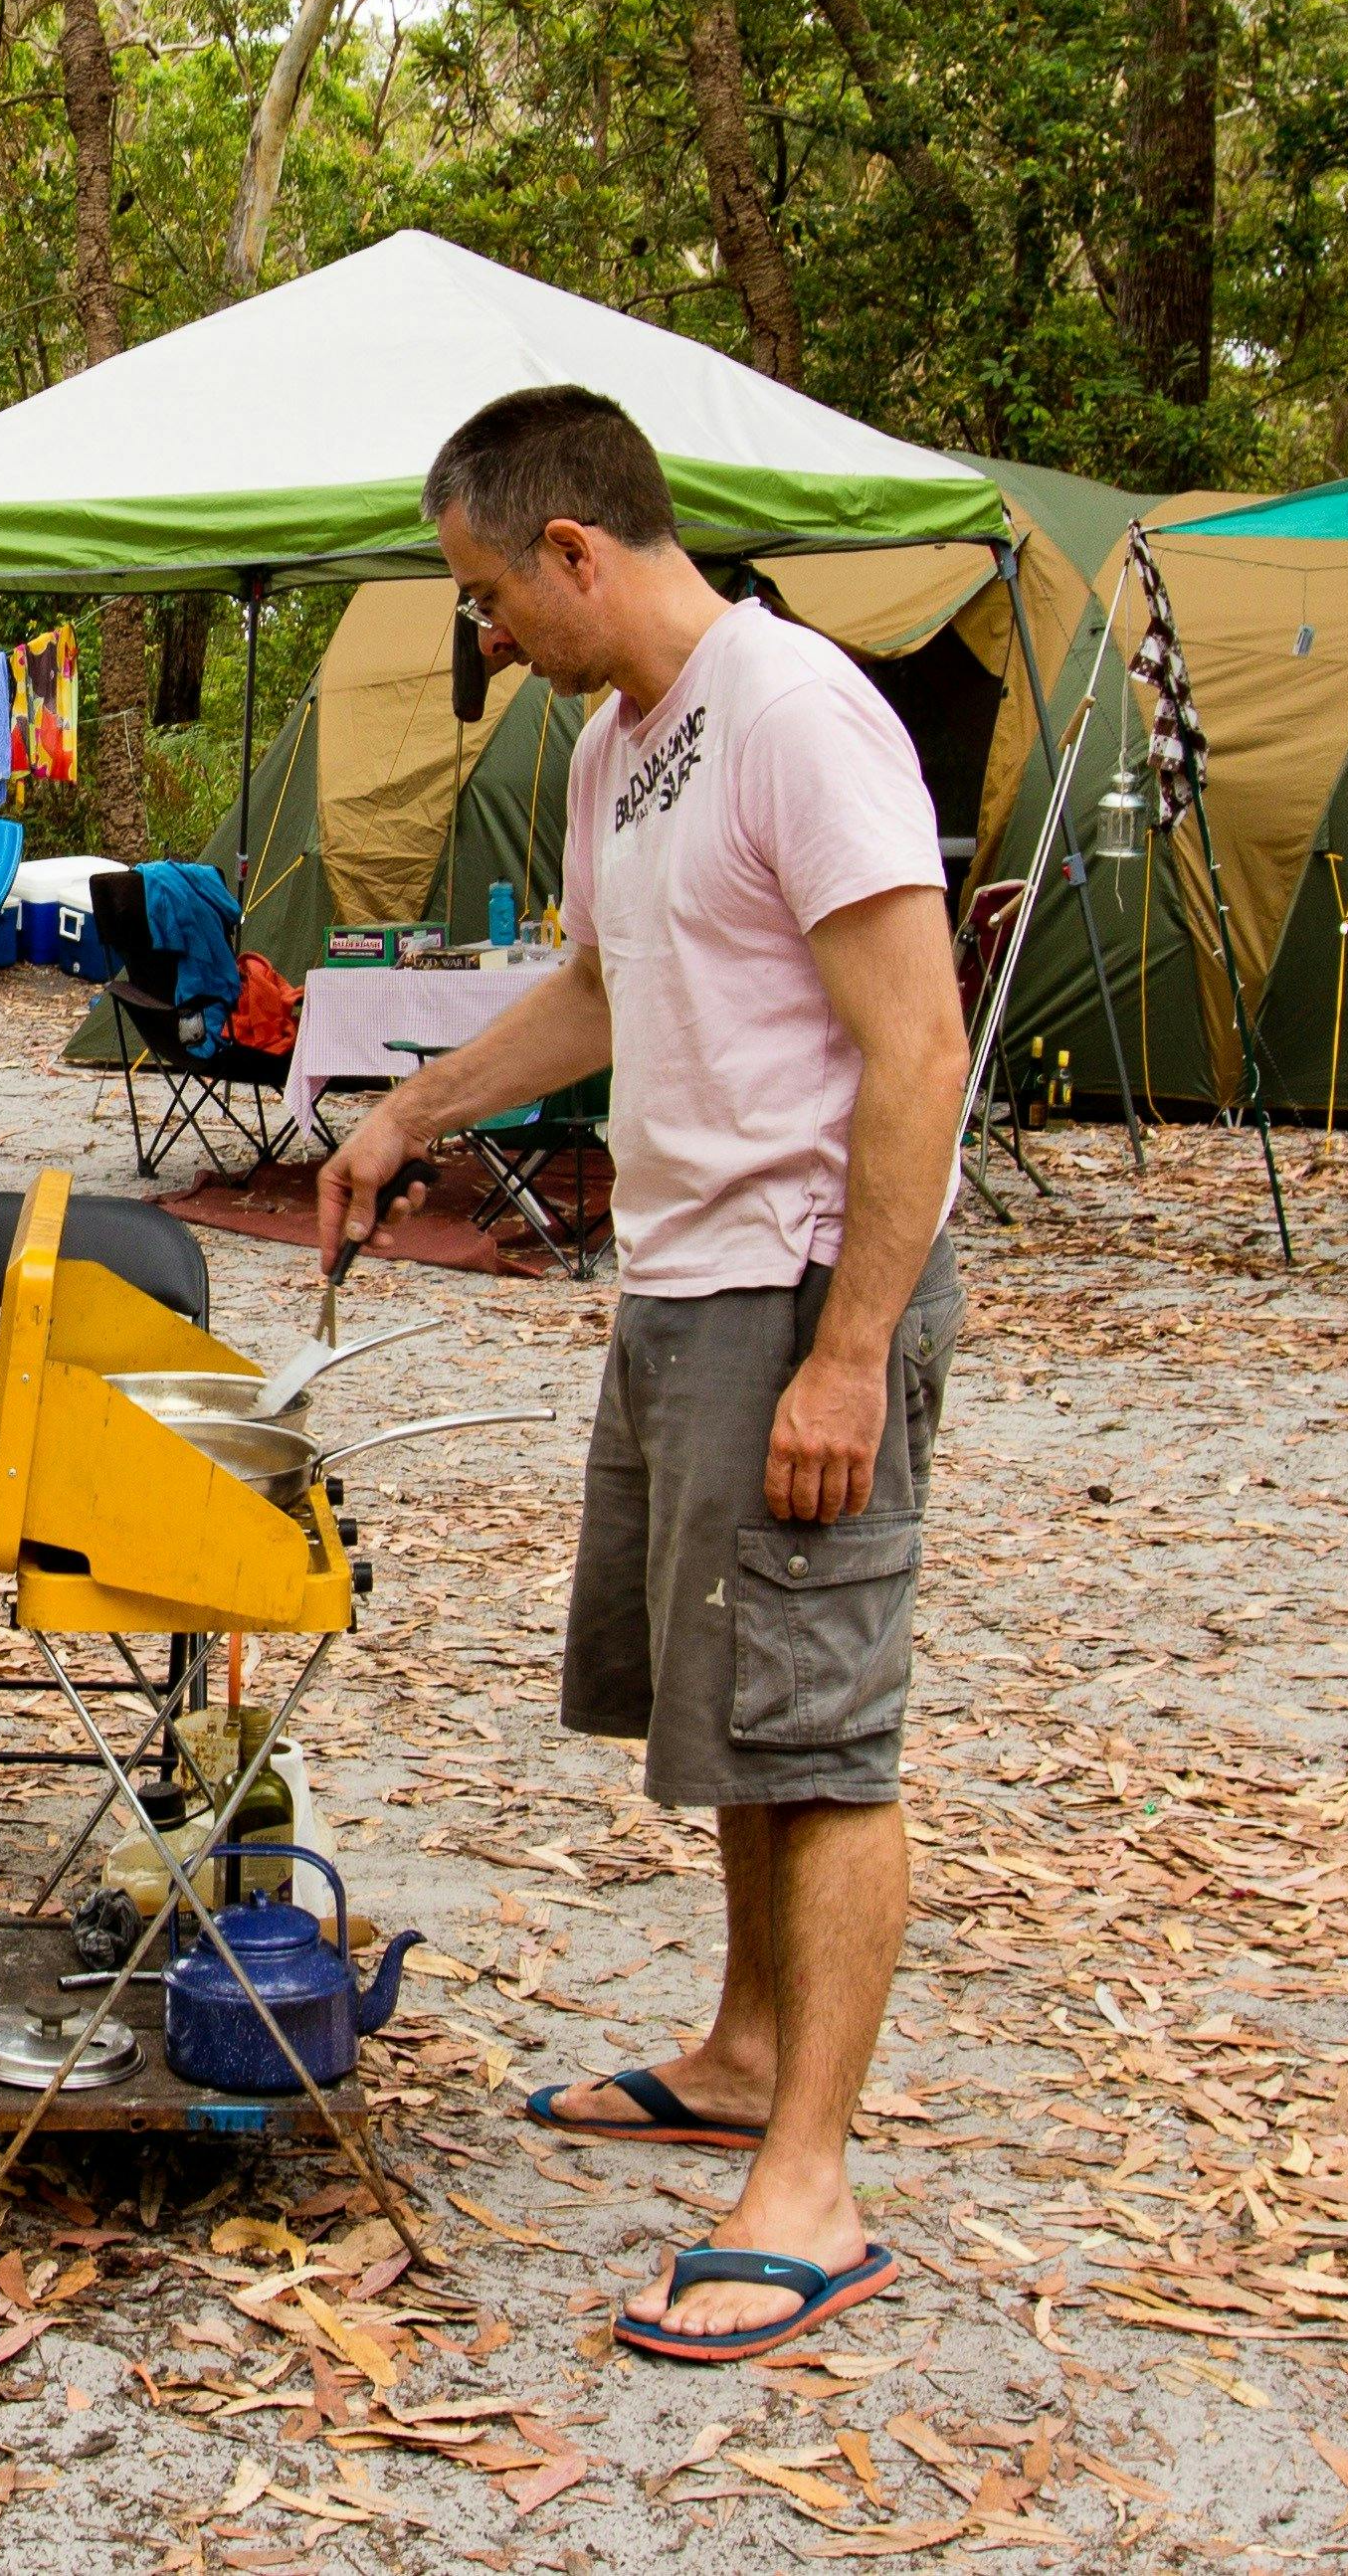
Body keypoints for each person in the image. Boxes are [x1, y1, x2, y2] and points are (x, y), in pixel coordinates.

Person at [315, 387, 967, 2365]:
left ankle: (813, 2192)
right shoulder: (619, 750)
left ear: (574, 550)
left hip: (799, 1286)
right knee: (731, 1701)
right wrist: (405, 1108)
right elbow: (602, 988)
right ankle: (746, 2046)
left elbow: (918, 1045)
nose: (485, 640)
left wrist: (848, 1352)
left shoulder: (791, 716)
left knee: (817, 1721)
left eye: (488, 597)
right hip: (680, 1284)